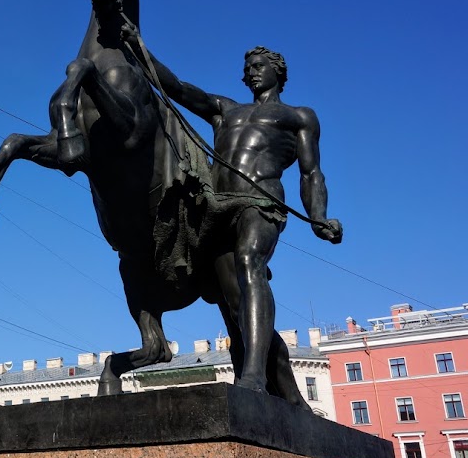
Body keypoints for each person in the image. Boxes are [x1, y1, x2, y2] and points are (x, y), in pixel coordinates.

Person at [138, 43, 342, 395]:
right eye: (247, 67)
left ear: (278, 70)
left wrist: (318, 217)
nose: (251, 71)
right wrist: (138, 49)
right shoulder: (225, 111)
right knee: (233, 305)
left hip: (261, 201)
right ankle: (292, 396)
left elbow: (311, 174)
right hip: (219, 206)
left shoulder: (299, 116)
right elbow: (178, 87)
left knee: (250, 264)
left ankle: (253, 377)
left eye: (259, 65)